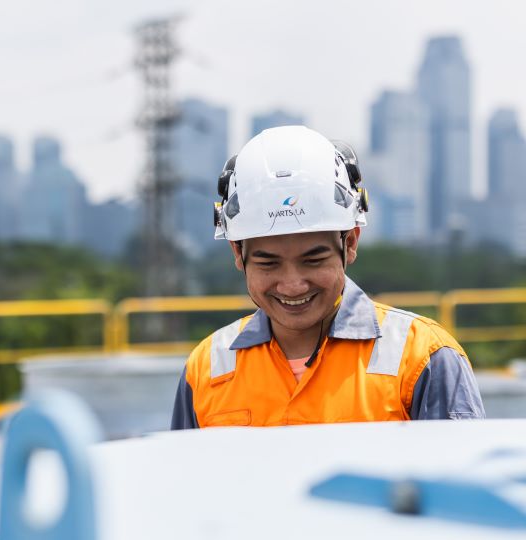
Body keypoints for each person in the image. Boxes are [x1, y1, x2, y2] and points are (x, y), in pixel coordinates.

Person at [171, 125, 485, 429]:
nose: (292, 284)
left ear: (350, 243)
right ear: (238, 255)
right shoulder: (206, 369)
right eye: (269, 264)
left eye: (313, 260)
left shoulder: (423, 359)